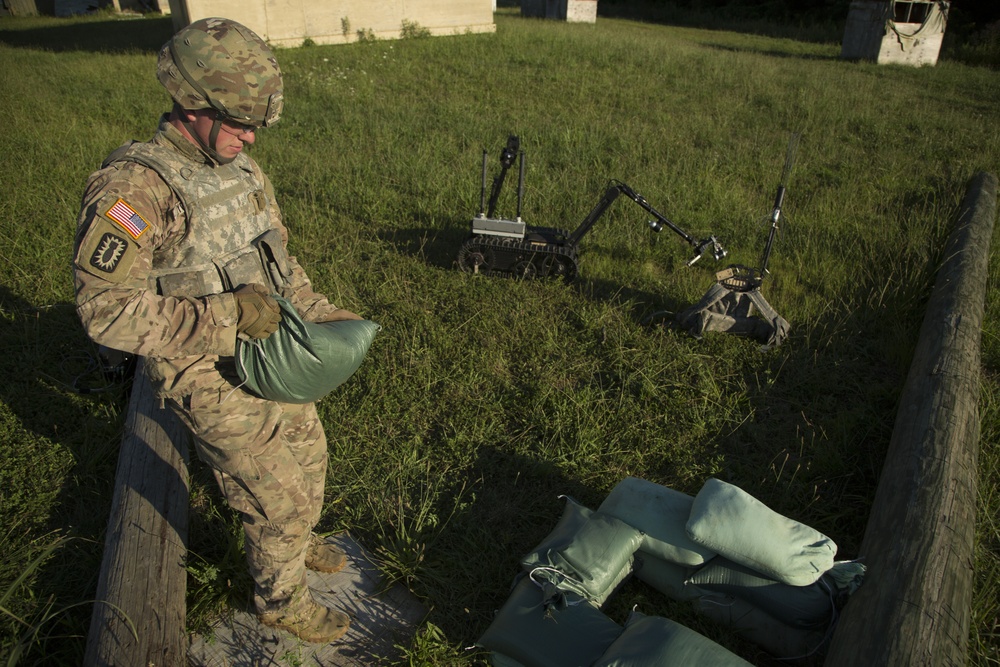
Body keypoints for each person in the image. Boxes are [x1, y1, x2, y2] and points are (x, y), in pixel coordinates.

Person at [73, 17, 362, 644]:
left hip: (270, 352)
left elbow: (278, 264)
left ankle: (293, 544)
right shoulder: (135, 190)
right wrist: (227, 320)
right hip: (200, 368)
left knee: (310, 458)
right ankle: (281, 600)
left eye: (256, 124)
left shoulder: (244, 173)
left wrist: (317, 312)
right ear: (189, 103)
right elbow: (105, 311)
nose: (250, 137)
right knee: (275, 498)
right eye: (237, 123)